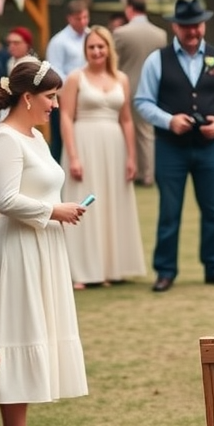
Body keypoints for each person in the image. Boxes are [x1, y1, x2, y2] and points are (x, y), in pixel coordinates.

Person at [0, 59, 89, 426]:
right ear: (27, 98)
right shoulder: (5, 139)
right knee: (18, 336)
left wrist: (58, 211)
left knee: (34, 331)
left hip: (39, 245)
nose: (56, 105)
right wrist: (54, 210)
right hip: (13, 249)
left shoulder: (36, 138)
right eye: (50, 97)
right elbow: (4, 199)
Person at [135, 0, 214, 292]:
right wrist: (169, 120)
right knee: (169, 211)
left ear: (203, 25)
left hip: (210, 147)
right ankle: (165, 271)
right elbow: (142, 101)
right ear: (175, 27)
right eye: (186, 27)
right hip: (171, 147)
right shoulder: (157, 60)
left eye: (197, 26)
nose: (193, 32)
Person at [60, 25, 146, 288]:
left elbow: (128, 120)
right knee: (85, 205)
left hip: (115, 146)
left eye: (101, 46)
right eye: (91, 47)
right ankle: (82, 272)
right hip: (84, 143)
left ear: (109, 49)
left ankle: (111, 268)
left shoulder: (121, 78)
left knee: (112, 203)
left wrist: (132, 156)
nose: (96, 51)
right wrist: (73, 156)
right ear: (85, 51)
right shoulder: (75, 77)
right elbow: (65, 116)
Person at [112, 0, 167, 187]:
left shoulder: (121, 33)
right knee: (147, 133)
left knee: (127, 130)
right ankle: (148, 174)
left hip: (127, 87)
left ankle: (135, 171)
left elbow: (113, 63)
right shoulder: (160, 33)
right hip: (153, 87)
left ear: (129, 9)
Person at [46, 0, 90, 162]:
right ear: (69, 18)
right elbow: (56, 72)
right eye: (79, 18)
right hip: (64, 97)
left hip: (88, 97)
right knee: (61, 140)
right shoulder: (59, 42)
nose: (83, 22)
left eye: (86, 17)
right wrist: (75, 88)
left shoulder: (91, 36)